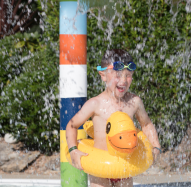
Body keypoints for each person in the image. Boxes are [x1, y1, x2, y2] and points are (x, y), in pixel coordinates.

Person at [66, 49, 161, 187]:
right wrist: (73, 150)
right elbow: (72, 125)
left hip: (125, 166)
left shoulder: (134, 102)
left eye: (128, 75)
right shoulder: (95, 104)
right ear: (103, 75)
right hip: (100, 169)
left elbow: (146, 124)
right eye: (118, 75)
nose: (123, 80)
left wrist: (156, 145)